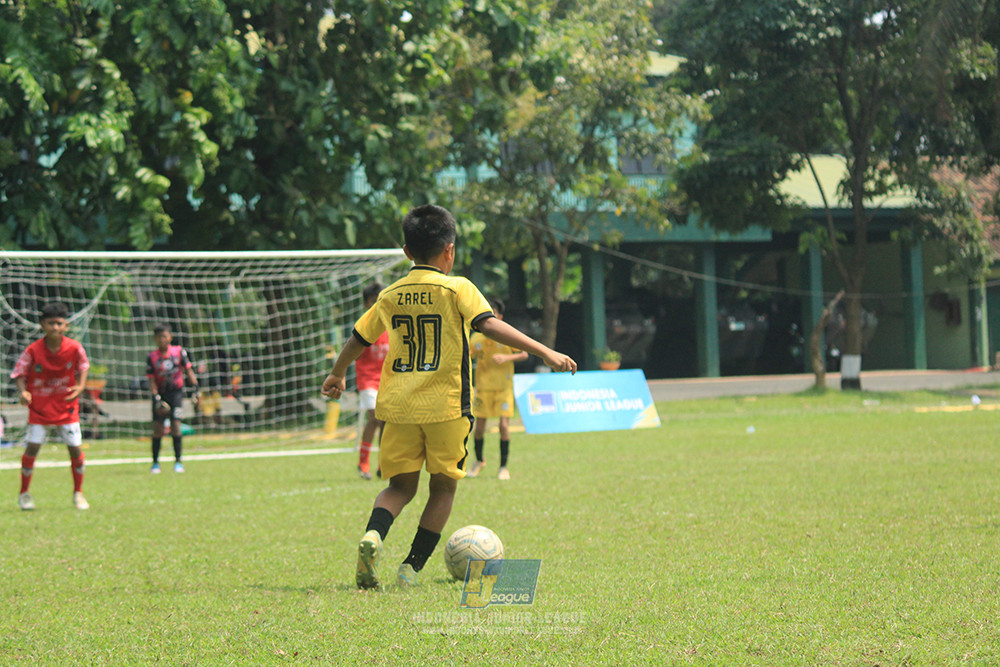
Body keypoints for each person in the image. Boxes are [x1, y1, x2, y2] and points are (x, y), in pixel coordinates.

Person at [322, 204, 577, 590]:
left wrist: (337, 372)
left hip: (399, 407)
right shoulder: (458, 287)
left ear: (407, 252)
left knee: (399, 488)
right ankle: (411, 567)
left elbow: (359, 338)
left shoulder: (389, 294)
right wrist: (545, 351)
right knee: (443, 487)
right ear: (450, 251)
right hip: (446, 407)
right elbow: (489, 325)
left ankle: (374, 535)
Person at [11, 302, 91, 511]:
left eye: (59, 323)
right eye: (50, 323)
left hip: (67, 406)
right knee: (33, 447)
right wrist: (23, 391)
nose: (55, 327)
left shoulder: (74, 348)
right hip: (40, 407)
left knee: (75, 449)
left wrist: (80, 386)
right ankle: (24, 494)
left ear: (66, 326)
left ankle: (78, 493)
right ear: (42, 325)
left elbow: (83, 366)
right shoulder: (33, 350)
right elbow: (19, 373)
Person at [467, 298, 529, 480]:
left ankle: (503, 467)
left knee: (503, 426)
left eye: (492, 313)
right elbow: (467, 355)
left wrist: (506, 358)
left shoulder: (507, 336)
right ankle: (479, 461)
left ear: (499, 316)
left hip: (503, 388)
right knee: (478, 429)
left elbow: (524, 354)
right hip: (484, 388)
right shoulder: (476, 338)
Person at [146, 323, 198, 473]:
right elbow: (151, 379)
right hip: (160, 395)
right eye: (159, 337)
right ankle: (155, 463)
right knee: (158, 429)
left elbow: (188, 371)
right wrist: (156, 397)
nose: (162, 339)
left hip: (175, 393)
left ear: (170, 337)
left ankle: (178, 461)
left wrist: (195, 388)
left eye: (164, 336)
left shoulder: (179, 352)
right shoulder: (152, 357)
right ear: (155, 339)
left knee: (176, 426)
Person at [354, 281, 389, 480]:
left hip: (387, 381)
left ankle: (383, 464)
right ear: (367, 303)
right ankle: (363, 462)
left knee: (386, 423)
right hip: (368, 380)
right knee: (375, 418)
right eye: (374, 301)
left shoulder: (393, 324)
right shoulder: (365, 325)